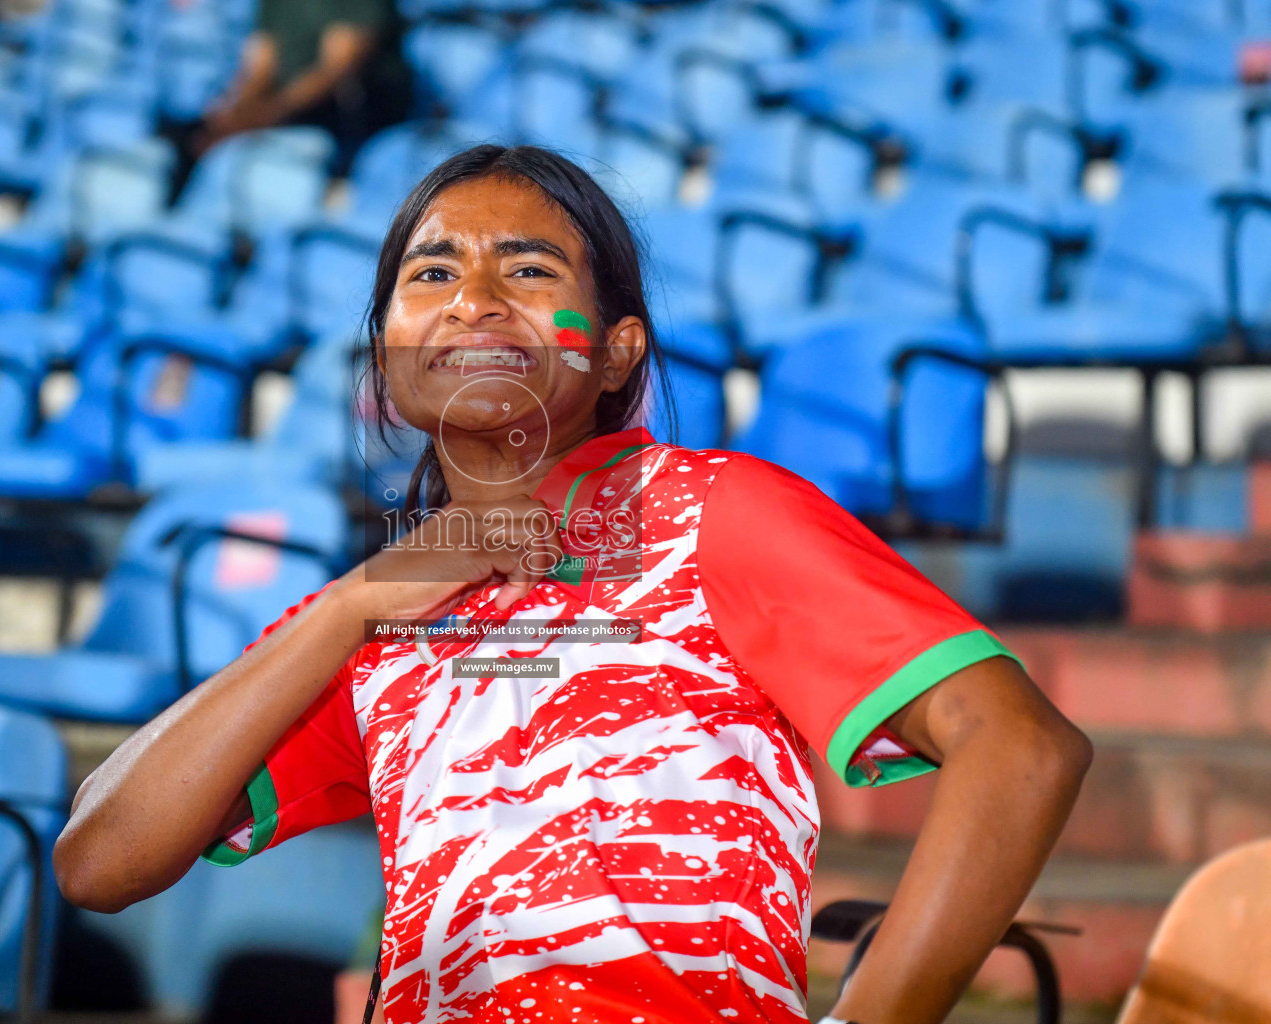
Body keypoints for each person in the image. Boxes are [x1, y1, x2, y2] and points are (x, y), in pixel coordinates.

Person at [54, 145, 1094, 1024]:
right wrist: (349, 604)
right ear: (386, 357)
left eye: (528, 270)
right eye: (431, 275)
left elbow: (1022, 746)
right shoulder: (375, 617)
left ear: (615, 352)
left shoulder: (714, 514)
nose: (472, 300)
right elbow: (100, 861)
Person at [160, 0, 412, 198]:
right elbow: (261, 63)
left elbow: (337, 69)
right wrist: (233, 115)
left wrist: (264, 116)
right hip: (285, 112)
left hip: (342, 122)